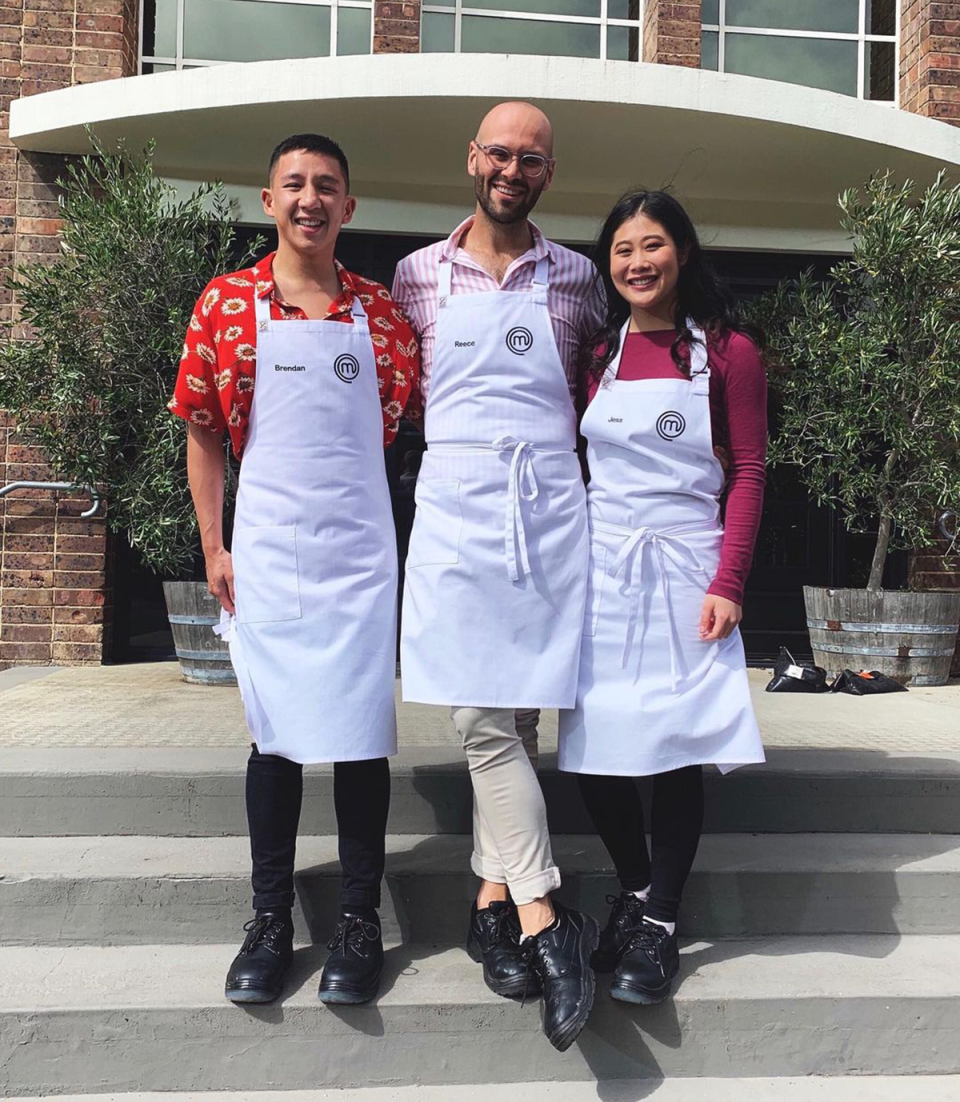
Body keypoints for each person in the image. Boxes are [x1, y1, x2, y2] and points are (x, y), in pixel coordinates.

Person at [169, 133, 420, 1007]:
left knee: (358, 737)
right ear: (267, 200)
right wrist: (213, 544)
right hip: (268, 548)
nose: (310, 199)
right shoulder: (225, 304)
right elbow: (202, 425)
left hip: (358, 556)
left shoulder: (384, 317)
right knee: (272, 735)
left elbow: (399, 426)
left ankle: (357, 919)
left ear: (349, 207)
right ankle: (269, 916)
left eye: (327, 187)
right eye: (294, 185)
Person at [392, 102, 602, 1051]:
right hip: (457, 506)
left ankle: (488, 904)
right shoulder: (412, 278)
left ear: (549, 174)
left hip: (546, 507)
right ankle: (548, 924)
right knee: (480, 717)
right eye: (499, 153)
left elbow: (604, 396)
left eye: (532, 158)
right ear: (471, 159)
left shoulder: (583, 280)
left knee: (516, 715)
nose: (513, 168)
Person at [558, 189, 767, 1006]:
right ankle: (639, 890)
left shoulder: (727, 352)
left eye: (652, 245)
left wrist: (730, 582)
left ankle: (664, 923)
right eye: (622, 249)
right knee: (595, 745)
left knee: (678, 746)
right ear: (607, 264)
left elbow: (748, 471)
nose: (637, 262)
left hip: (688, 570)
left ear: (681, 251)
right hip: (602, 567)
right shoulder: (597, 357)